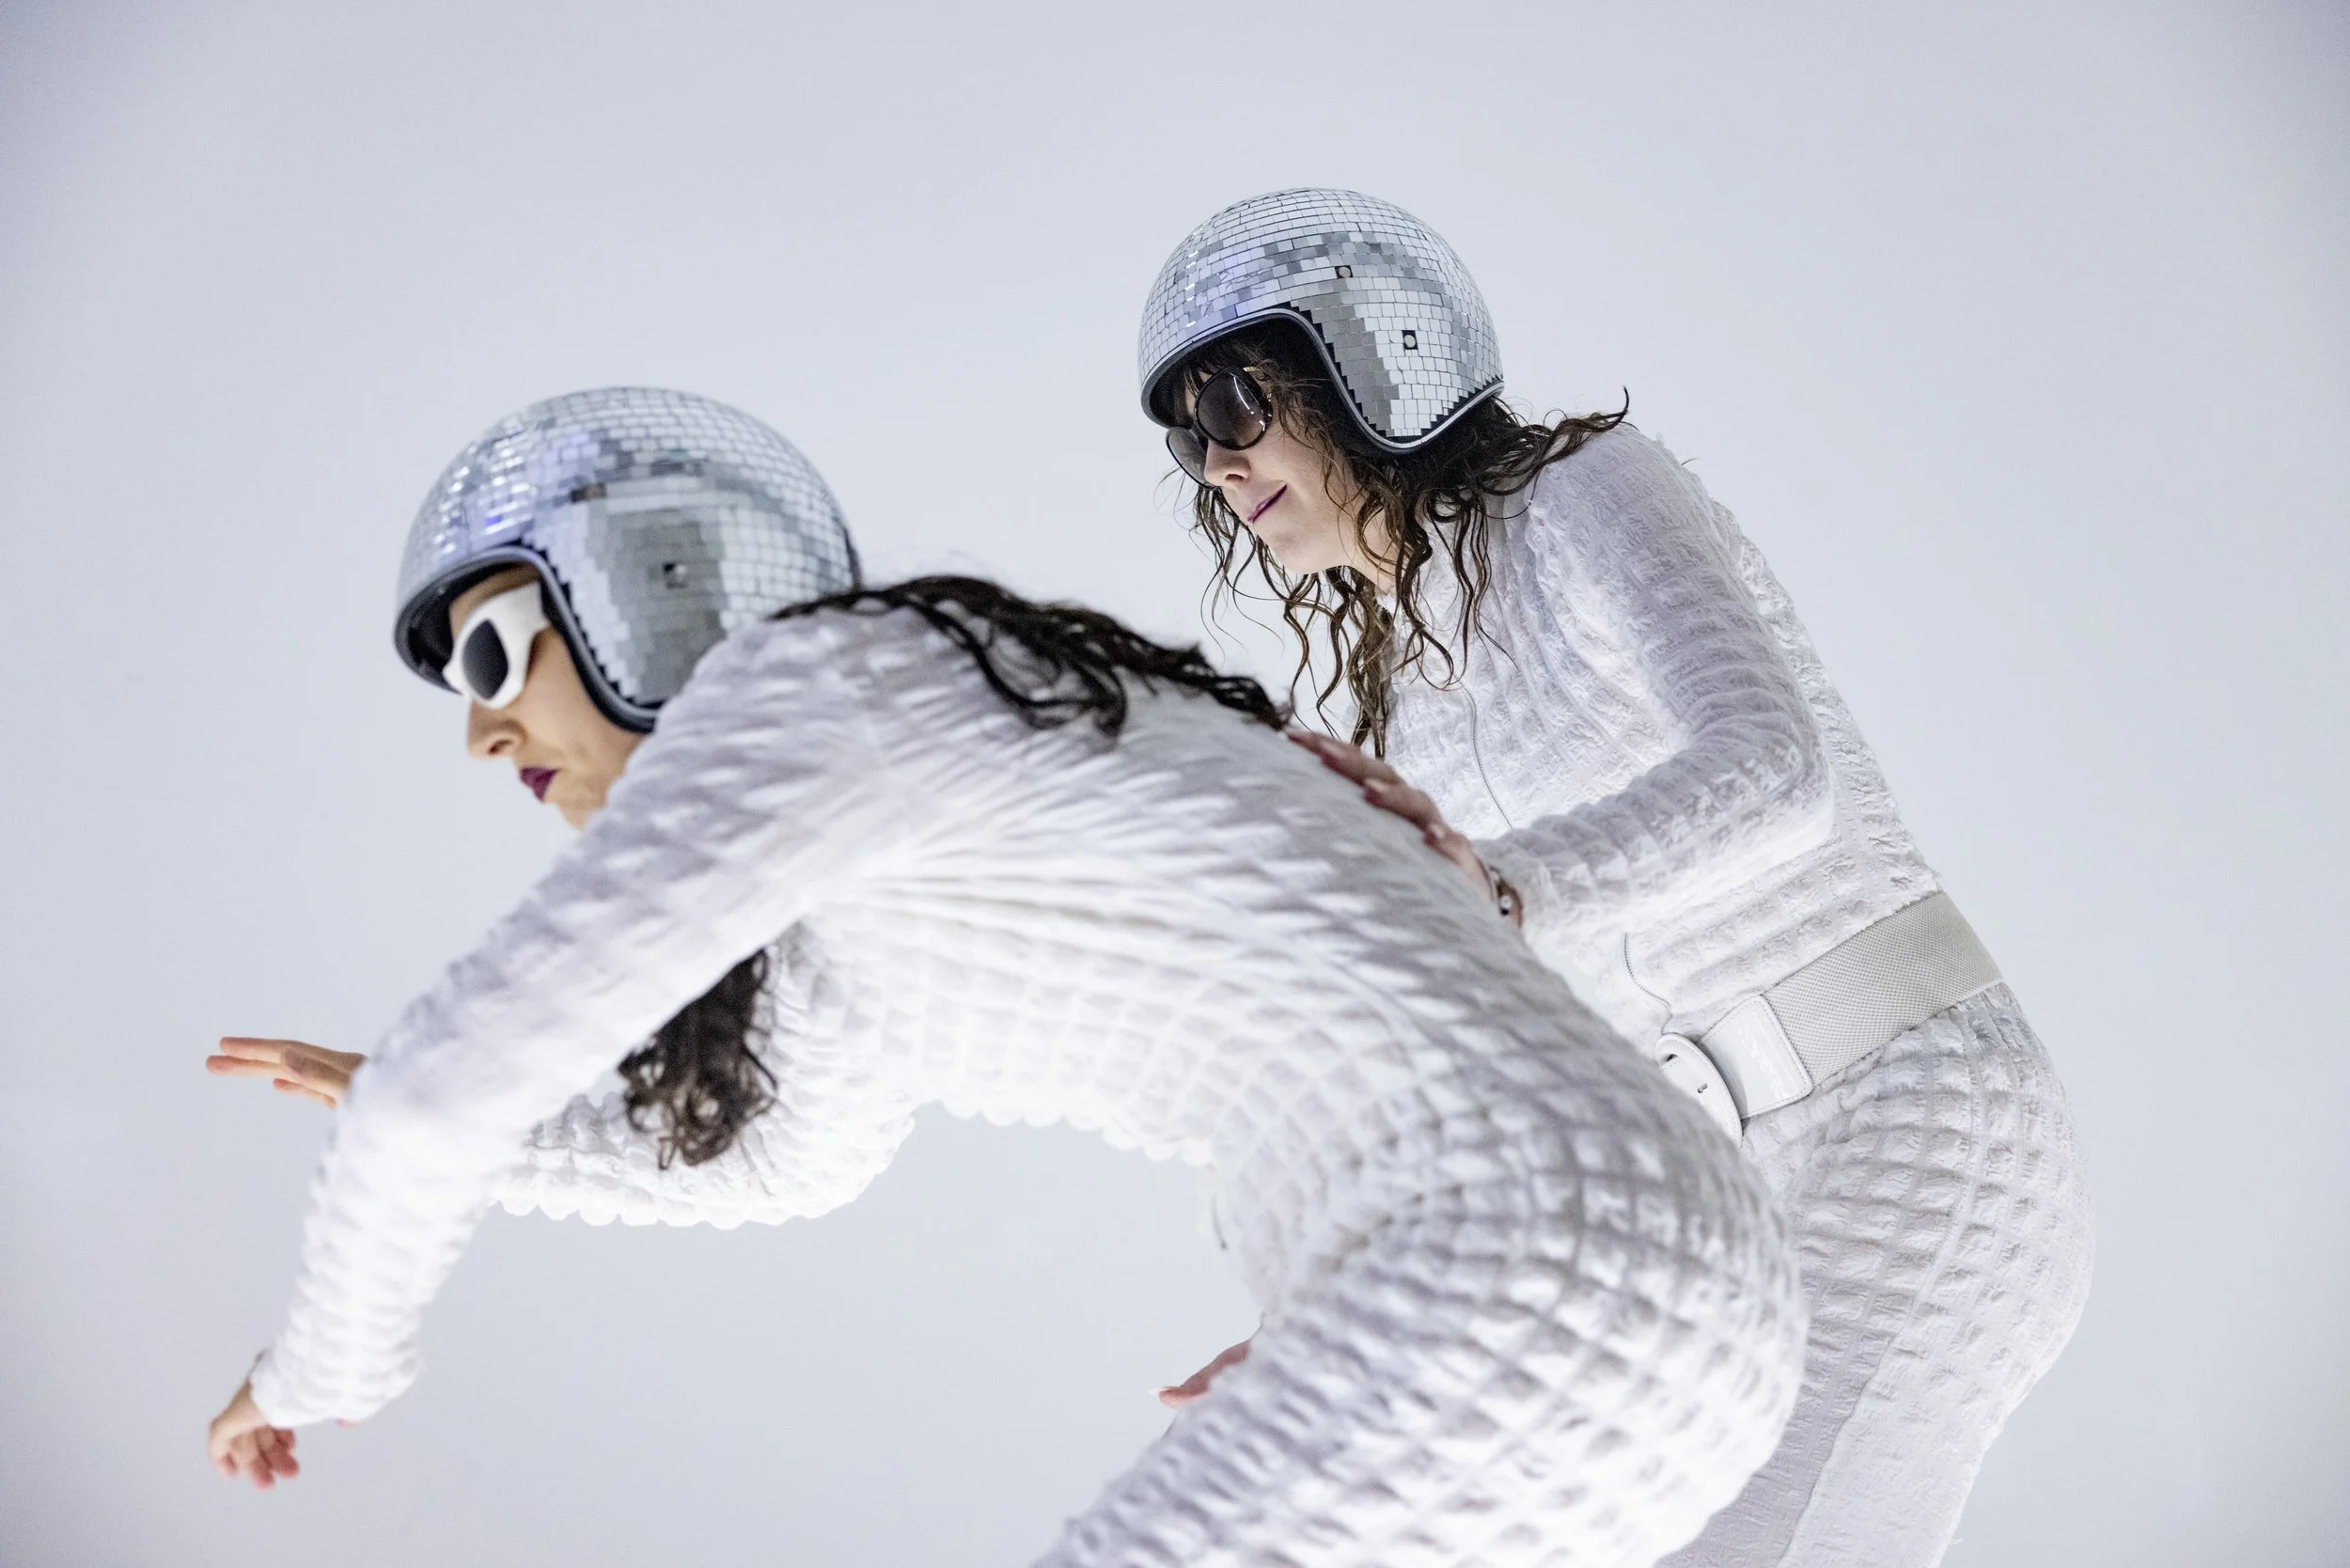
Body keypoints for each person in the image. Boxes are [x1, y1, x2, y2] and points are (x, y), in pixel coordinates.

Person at [204, 386, 1808, 1567]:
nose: (484, 731)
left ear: (640, 590)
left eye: (496, 656)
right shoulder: (907, 833)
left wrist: (319, 1365)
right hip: (1662, 1329)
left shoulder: (825, 681)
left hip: (1515, 1264)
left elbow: (429, 1105)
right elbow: (773, 1163)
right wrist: (495, 1142)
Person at [1135, 190, 2094, 1567]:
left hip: (1914, 1138)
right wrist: (1330, 1316)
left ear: (1366, 362)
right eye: (1185, 436)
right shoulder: (1396, 711)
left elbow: (1776, 770)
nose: (1215, 464)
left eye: (1234, 401)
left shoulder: (1579, 491)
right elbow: (1490, 1078)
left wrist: (1496, 890)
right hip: (1713, 1215)